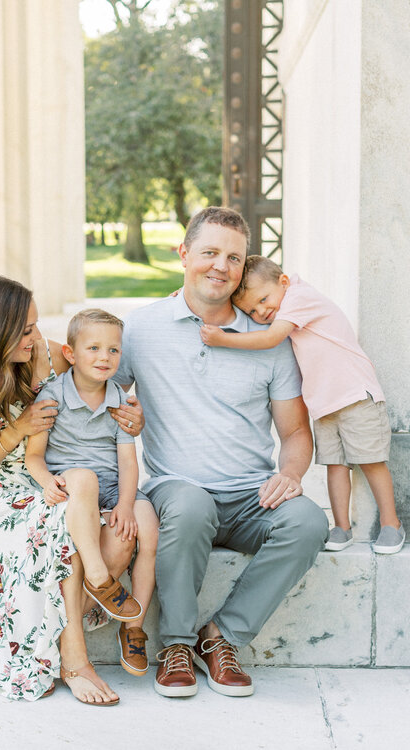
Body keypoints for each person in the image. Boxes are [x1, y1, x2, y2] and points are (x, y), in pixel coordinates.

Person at [114, 207, 328, 699]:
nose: (220, 266)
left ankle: (222, 637)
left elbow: (296, 434)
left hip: (250, 495)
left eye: (233, 257)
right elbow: (94, 395)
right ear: (184, 255)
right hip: (179, 491)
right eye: (208, 252)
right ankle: (176, 645)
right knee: (190, 505)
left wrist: (291, 475)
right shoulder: (142, 329)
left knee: (309, 522)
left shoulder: (268, 340)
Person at [0, 275, 143, 705]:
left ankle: (42, 635)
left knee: (118, 538)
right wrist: (17, 430)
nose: (35, 336)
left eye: (34, 325)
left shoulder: (40, 355)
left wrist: (130, 417)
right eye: (25, 329)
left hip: (49, 478)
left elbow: (95, 383)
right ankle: (74, 659)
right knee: (64, 540)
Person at [199, 256, 403, 554]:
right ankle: (342, 527)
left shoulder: (298, 296)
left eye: (264, 300)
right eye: (252, 310)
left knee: (370, 461)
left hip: (355, 394)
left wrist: (222, 339)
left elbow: (271, 338)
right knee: (334, 465)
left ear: (283, 282)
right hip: (324, 403)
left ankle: (391, 523)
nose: (261, 311)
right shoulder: (285, 305)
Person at [25, 309, 159, 679]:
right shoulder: (52, 396)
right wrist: (45, 481)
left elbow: (129, 464)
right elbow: (34, 455)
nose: (105, 357)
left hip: (114, 489)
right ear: (70, 353)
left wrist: (128, 506)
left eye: (114, 350)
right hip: (73, 490)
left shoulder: (120, 401)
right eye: (94, 348)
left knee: (147, 528)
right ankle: (98, 578)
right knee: (84, 477)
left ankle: (133, 627)